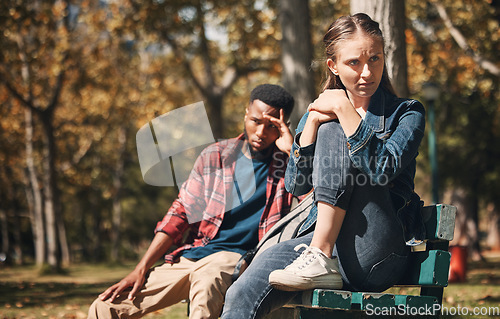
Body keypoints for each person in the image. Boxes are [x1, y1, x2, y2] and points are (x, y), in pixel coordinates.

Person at [221, 13, 426, 318]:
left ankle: (320, 253)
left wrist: (345, 113)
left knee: (334, 129)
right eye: (354, 63)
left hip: (379, 251)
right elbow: (297, 185)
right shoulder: (321, 111)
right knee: (241, 291)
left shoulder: (407, 113)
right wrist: (311, 127)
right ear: (334, 66)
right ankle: (319, 253)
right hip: (322, 246)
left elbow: (383, 169)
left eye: (375, 59)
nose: (367, 72)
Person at [88, 84, 296, 319]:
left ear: (283, 127)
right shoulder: (216, 156)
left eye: (272, 126)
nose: (261, 132)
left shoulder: (289, 166)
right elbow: (180, 213)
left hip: (234, 259)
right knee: (106, 306)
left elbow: (311, 202)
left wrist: (292, 151)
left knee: (207, 287)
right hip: (193, 254)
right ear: (246, 115)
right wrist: (141, 268)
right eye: (256, 121)